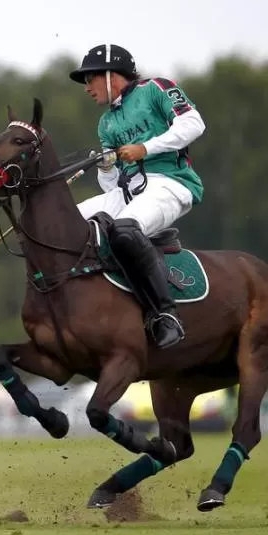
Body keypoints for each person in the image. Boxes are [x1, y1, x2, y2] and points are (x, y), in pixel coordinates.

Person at [69, 44, 206, 349]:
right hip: (129, 192)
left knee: (125, 229)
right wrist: (105, 169)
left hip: (172, 183)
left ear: (110, 75)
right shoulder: (106, 123)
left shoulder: (156, 88)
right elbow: (111, 188)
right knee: (68, 223)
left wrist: (146, 148)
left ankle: (166, 315)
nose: (87, 88)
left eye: (89, 79)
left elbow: (194, 124)